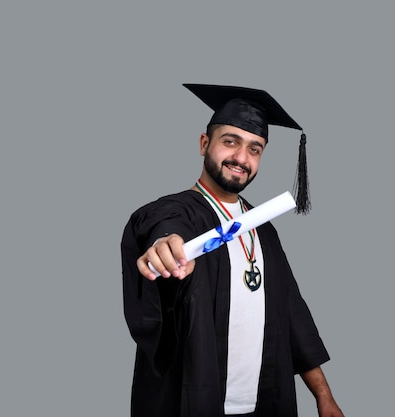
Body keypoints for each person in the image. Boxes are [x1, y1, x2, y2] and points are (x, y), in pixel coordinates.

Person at [121, 84, 345, 417]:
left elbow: (292, 315)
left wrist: (324, 396)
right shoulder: (174, 211)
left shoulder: (264, 229)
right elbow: (163, 229)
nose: (242, 158)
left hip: (264, 404)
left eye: (255, 149)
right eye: (230, 142)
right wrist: (164, 244)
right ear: (204, 144)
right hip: (192, 403)